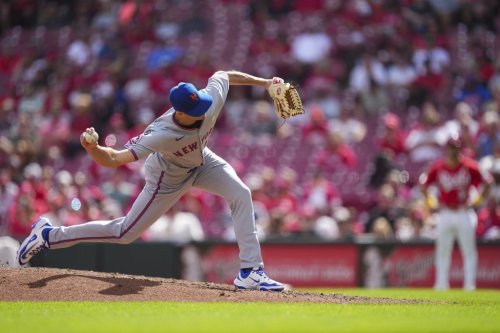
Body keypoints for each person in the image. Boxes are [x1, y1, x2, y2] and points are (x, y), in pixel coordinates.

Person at [16, 70, 285, 291]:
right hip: (167, 177)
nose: (203, 110)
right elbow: (115, 158)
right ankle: (49, 235)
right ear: (179, 112)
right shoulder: (160, 133)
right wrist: (93, 149)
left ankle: (251, 271)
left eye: (201, 104)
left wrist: (265, 83)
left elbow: (223, 74)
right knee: (124, 233)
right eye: (196, 109)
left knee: (241, 193)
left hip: (203, 161)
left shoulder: (208, 99)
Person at [420, 135, 491, 291]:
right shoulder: (438, 167)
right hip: (445, 211)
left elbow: (488, 182)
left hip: (463, 211)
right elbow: (423, 185)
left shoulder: (470, 166)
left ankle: (469, 286)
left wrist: (478, 199)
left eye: (456, 147)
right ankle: (441, 285)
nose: (453, 151)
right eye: (451, 147)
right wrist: (431, 201)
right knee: (442, 251)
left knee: (468, 251)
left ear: (460, 148)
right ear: (447, 149)